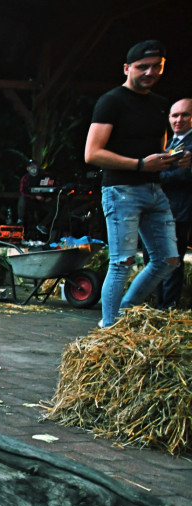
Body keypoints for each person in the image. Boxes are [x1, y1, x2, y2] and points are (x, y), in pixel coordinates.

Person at [84, 40, 186, 328]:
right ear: (127, 68)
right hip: (121, 191)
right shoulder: (111, 101)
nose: (150, 72)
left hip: (155, 190)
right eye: (143, 67)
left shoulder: (160, 104)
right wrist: (140, 165)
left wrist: (173, 160)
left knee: (168, 260)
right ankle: (108, 328)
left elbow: (160, 150)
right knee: (121, 263)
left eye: (157, 67)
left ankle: (125, 312)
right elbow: (92, 153)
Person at [158, 98, 192, 310]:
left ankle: (167, 308)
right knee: (159, 260)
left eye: (185, 114)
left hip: (180, 210)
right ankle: (158, 305)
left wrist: (153, 172)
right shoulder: (170, 144)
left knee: (171, 260)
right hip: (162, 209)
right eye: (174, 115)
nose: (179, 119)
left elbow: (184, 175)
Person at [18, 160, 55, 234]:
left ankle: (42, 225)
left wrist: (50, 197)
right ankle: (20, 220)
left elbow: (53, 187)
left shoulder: (45, 175)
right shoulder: (25, 178)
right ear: (27, 168)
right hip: (30, 202)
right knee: (22, 199)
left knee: (55, 208)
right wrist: (35, 197)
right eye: (31, 166)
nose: (33, 168)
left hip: (43, 202)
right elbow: (22, 192)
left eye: (34, 166)